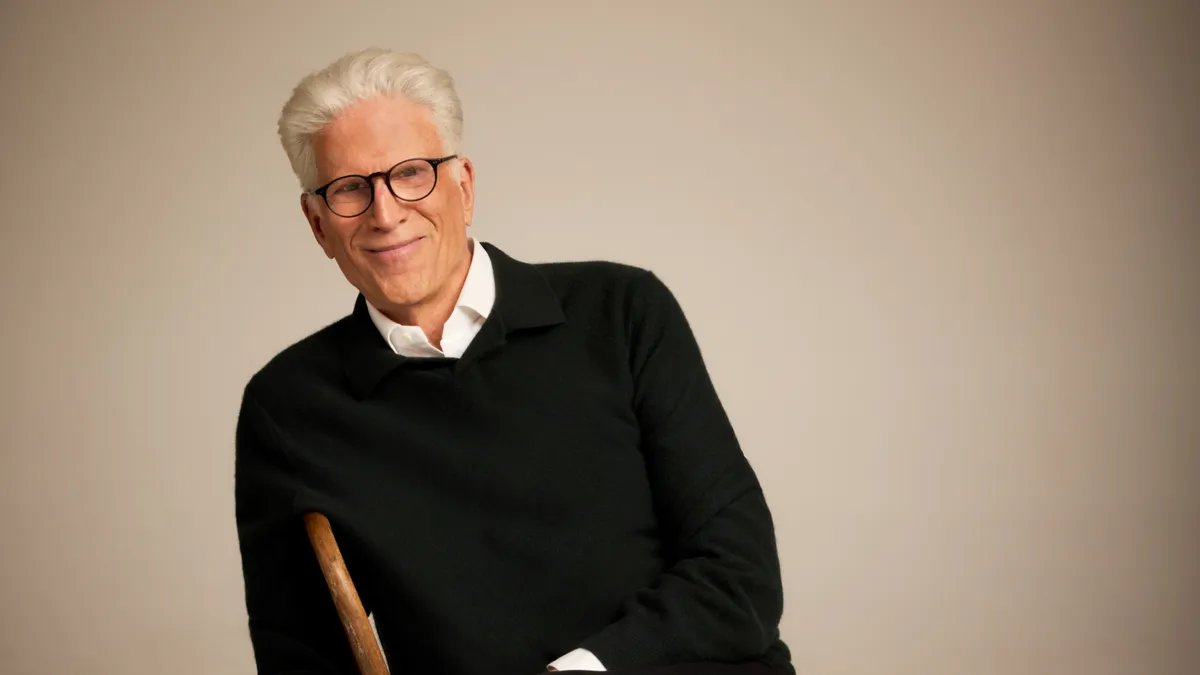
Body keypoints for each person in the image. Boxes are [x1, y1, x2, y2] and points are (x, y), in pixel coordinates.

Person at [235, 47, 793, 675]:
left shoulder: (620, 311)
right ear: (317, 225)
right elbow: (298, 659)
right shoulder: (288, 406)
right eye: (349, 189)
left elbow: (738, 578)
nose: (385, 214)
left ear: (464, 186)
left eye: (411, 174)